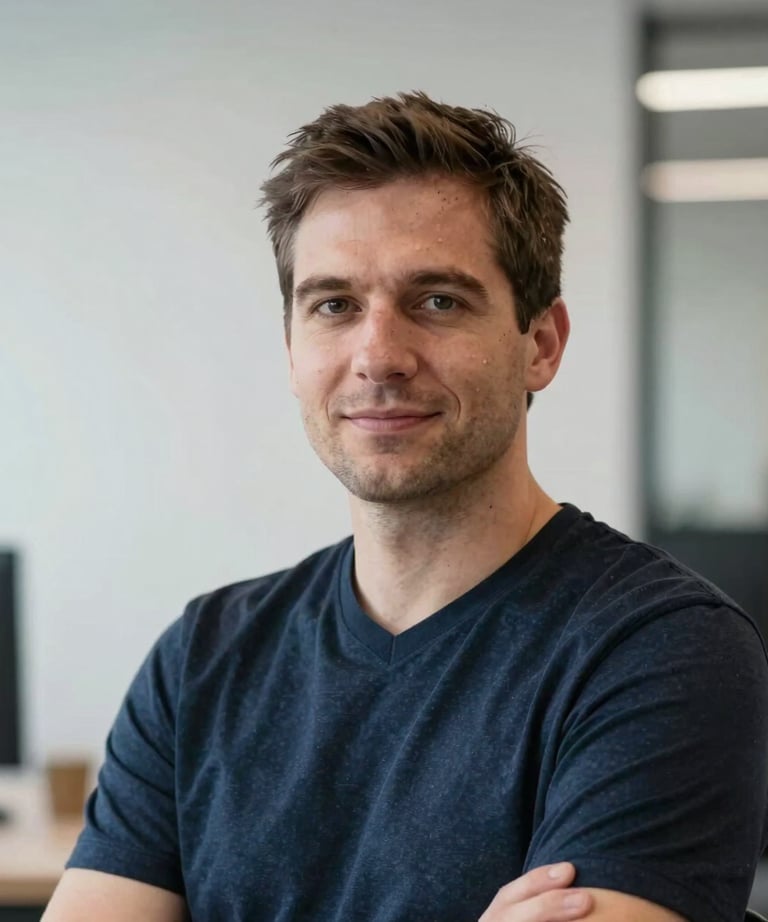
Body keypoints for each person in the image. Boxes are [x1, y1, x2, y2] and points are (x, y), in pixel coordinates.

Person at [44, 91, 768, 922]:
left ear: (541, 344)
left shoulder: (661, 651)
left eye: (438, 301)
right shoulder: (203, 659)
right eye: (334, 305)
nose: (378, 355)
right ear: (291, 349)